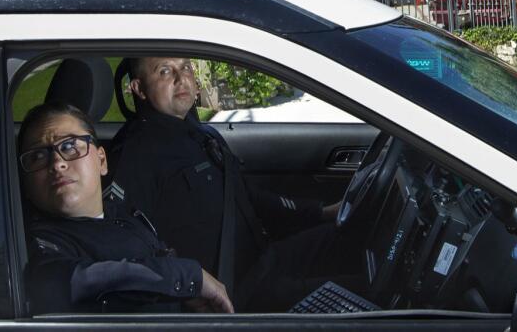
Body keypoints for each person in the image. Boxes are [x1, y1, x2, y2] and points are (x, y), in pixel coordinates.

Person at [109, 57, 356, 312]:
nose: (180, 78)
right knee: (360, 291)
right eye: (164, 71)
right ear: (138, 89)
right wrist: (183, 287)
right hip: (232, 298)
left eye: (185, 67)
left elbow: (247, 197)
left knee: (348, 235)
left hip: (262, 260)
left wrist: (322, 212)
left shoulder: (202, 135)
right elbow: (124, 244)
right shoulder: (135, 154)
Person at [18, 101, 234, 314]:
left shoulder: (126, 214)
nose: (57, 163)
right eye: (38, 156)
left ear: (102, 161)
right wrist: (187, 276)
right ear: (26, 183)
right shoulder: (40, 243)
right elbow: (72, 282)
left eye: (69, 146)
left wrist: (184, 296)